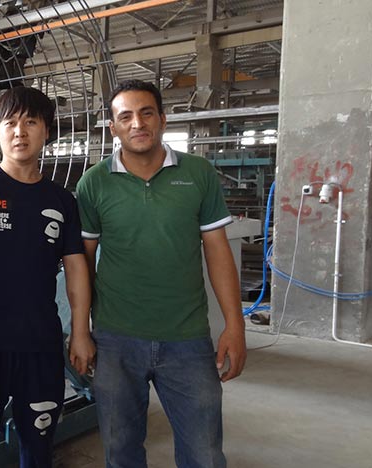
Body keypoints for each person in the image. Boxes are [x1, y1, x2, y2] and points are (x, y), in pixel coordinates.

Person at [75, 79, 247, 467]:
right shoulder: (94, 183)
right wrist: (81, 330)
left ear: (163, 120)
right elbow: (81, 262)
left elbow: (218, 251)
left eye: (146, 113)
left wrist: (235, 326)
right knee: (121, 453)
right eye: (125, 117)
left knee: (204, 454)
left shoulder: (198, 174)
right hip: (116, 339)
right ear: (113, 127)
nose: (137, 123)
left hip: (187, 338)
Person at [0, 86, 92, 468]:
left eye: (31, 122)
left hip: (39, 347)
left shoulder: (61, 201)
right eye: (10, 123)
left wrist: (80, 332)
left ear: (46, 131)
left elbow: (76, 267)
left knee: (38, 453)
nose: (20, 132)